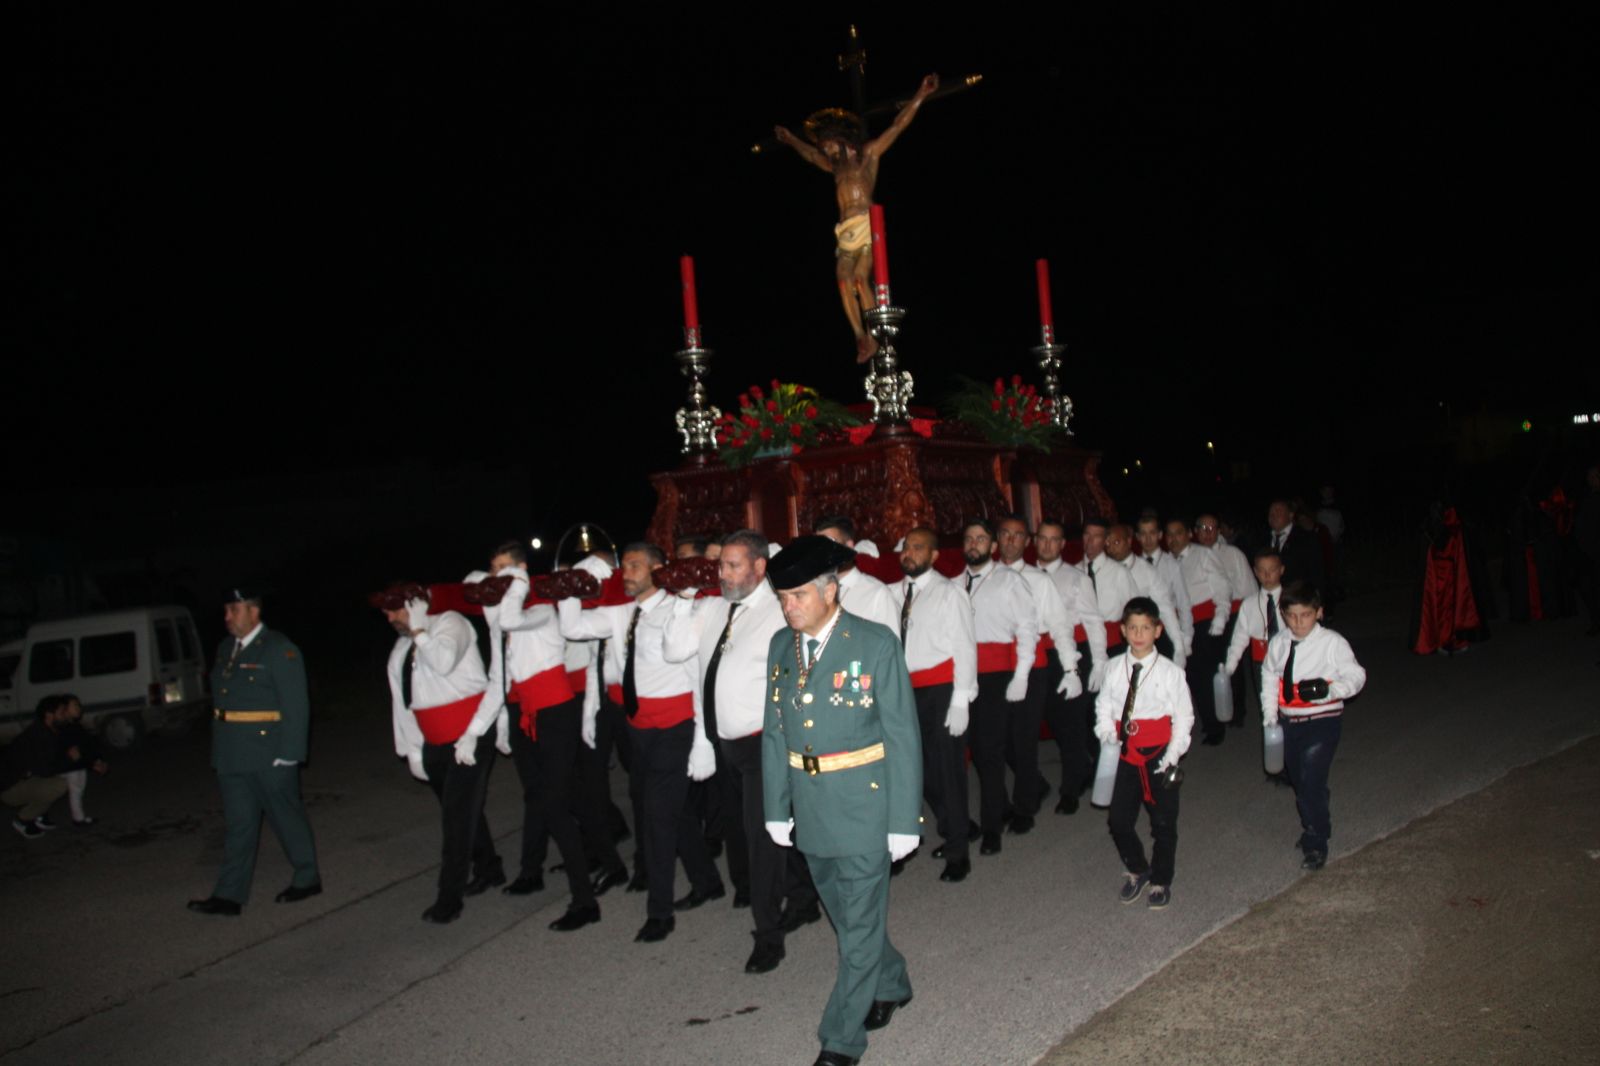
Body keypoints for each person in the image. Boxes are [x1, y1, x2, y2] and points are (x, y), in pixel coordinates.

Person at [761, 536, 921, 1066]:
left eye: (799, 595)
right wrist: (775, 806)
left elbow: (902, 734)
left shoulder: (874, 644)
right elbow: (775, 733)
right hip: (811, 808)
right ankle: (892, 981)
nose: (789, 608)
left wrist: (903, 820)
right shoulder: (782, 648)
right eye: (782, 598)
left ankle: (841, 1039)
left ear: (831, 590)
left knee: (854, 930)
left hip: (864, 808)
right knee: (852, 918)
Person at [662, 530, 813, 973]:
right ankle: (804, 897)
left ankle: (768, 935)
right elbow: (675, 651)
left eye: (733, 565)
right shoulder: (711, 608)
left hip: (765, 743)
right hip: (722, 743)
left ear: (760, 567)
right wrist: (680, 600)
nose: (722, 573)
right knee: (770, 830)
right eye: (720, 565)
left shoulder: (780, 609)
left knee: (760, 838)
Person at [558, 543, 722, 943]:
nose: (625, 573)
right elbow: (572, 628)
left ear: (658, 569)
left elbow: (696, 678)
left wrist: (702, 739)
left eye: (634, 566)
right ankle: (707, 881)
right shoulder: (619, 611)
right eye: (624, 566)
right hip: (638, 728)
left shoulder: (680, 609)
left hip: (676, 726)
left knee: (656, 817)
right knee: (674, 809)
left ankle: (659, 912)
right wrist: (571, 585)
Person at [483, 542, 623, 931]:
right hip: (528, 713)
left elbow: (510, 619)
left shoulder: (543, 609)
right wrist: (501, 723)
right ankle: (611, 863)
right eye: (494, 570)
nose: (500, 577)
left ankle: (585, 901)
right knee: (564, 796)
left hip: (556, 712)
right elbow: (503, 653)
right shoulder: (517, 607)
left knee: (555, 803)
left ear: (524, 570)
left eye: (506, 569)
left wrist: (517, 583)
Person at [774, 74, 940, 363]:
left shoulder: (869, 155)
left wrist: (921, 95)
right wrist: (790, 139)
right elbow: (809, 154)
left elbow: (898, 125)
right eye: (824, 147)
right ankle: (859, 336)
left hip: (867, 224)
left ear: (841, 141)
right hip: (846, 232)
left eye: (828, 145)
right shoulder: (834, 166)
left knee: (862, 280)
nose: (825, 151)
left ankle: (874, 335)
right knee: (842, 282)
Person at [188, 588, 321, 916]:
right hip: (232, 752)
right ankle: (229, 896)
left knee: (285, 817)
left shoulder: (279, 649)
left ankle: (307, 877)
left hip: (268, 751)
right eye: (226, 611)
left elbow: (296, 704)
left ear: (253, 612)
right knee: (239, 824)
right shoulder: (224, 649)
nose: (227, 618)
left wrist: (290, 752)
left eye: (233, 610)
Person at [380, 584, 505, 924]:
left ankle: (448, 899)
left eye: (396, 609)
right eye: (386, 612)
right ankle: (490, 868)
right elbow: (403, 703)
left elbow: (444, 660)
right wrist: (411, 749)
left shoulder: (452, 623)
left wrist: (420, 630)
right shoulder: (401, 648)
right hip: (434, 741)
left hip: (470, 735)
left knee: (455, 819)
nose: (389, 617)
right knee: (465, 812)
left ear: (416, 605)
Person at [1093, 597, 1193, 910]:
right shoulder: (1113, 667)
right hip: (1124, 754)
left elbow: (1184, 716)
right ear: (1122, 630)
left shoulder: (1170, 672)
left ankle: (1161, 878)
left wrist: (1172, 755)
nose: (1139, 634)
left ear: (1157, 630)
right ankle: (1138, 868)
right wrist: (1108, 735)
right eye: (1132, 628)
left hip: (1160, 753)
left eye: (1145, 628)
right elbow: (1104, 706)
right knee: (1118, 820)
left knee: (1163, 822)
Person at [1261, 582, 1367, 871]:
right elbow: (1269, 676)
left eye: (1305, 615)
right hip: (1289, 722)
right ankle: (1315, 808)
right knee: (1301, 780)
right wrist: (1270, 715)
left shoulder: (1332, 643)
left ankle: (1317, 838)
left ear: (1319, 613)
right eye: (1292, 615)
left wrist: (1329, 690)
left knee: (1309, 783)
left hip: (1322, 721)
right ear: (1283, 615)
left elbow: (1357, 676)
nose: (1298, 622)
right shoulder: (1280, 643)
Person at [893, 526, 977, 881]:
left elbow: (965, 646)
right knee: (921, 771)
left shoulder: (949, 593)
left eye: (918, 547)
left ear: (934, 555)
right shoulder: (895, 592)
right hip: (907, 691)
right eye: (906, 547)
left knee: (948, 770)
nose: (909, 553)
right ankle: (955, 825)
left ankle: (959, 851)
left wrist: (962, 698)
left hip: (942, 688)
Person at [959, 518, 1038, 857]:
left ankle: (992, 828)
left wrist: (1021, 674)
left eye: (981, 539)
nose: (974, 544)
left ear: (992, 547)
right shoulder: (953, 583)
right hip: (963, 676)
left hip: (995, 676)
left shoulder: (1009, 581)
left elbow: (1027, 627)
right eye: (969, 539)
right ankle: (1002, 806)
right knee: (976, 749)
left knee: (990, 752)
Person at [994, 515, 1079, 832]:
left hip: (1035, 661)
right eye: (1005, 534)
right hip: (996, 663)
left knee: (1025, 736)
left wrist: (1071, 668)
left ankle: (1025, 806)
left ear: (1025, 542)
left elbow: (1059, 624)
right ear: (997, 539)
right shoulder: (985, 577)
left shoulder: (1039, 580)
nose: (1011, 540)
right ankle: (1034, 785)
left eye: (1018, 535)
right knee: (998, 738)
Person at [1034, 520, 1109, 814]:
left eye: (1054, 540)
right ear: (1035, 541)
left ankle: (1070, 790)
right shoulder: (1025, 576)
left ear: (1063, 544)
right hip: (1039, 656)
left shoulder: (1076, 578)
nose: (1048, 545)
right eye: (1043, 539)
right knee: (1052, 719)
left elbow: (1093, 621)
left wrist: (1099, 660)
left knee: (1071, 725)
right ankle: (1084, 768)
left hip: (1073, 655)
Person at [1166, 518, 1232, 746]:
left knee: (1206, 675)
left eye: (1178, 533)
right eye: (1170, 535)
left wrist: (1221, 615)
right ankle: (1206, 720)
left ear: (1188, 535)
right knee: (1192, 676)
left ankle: (1216, 724)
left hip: (1205, 620)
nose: (1174, 539)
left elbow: (1222, 586)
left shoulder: (1202, 555)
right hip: (1182, 623)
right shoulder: (1167, 562)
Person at [1195, 513, 1256, 727]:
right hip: (1204, 619)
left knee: (1233, 666)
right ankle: (1215, 713)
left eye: (1212, 528)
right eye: (1202, 528)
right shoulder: (1191, 556)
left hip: (1232, 615)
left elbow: (1249, 587)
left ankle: (1237, 711)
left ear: (1219, 530)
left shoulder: (1233, 554)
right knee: (1209, 669)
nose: (1207, 533)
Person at [1222, 549, 1286, 735]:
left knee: (1289, 704)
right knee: (1268, 706)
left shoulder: (1291, 598)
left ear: (1281, 570)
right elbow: (1239, 638)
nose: (1267, 575)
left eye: (1272, 569)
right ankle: (1275, 749)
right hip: (1261, 660)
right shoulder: (1249, 604)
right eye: (1262, 570)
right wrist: (1230, 666)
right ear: (1255, 572)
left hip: (1287, 657)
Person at [1104, 524, 1183, 667]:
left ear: (1129, 541)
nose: (1111, 548)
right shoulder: (1104, 571)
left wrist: (1179, 645)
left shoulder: (1146, 571)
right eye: (1107, 544)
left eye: (1116, 542)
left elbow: (1165, 607)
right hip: (1113, 641)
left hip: (1142, 638)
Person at [815, 514, 902, 634]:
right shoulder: (814, 591)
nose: (824, 553)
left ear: (849, 547)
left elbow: (891, 648)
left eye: (830, 545)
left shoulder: (877, 594)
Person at [4, 695, 72, 837]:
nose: (66, 714)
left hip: (25, 779)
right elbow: (44, 769)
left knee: (61, 776)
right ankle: (23, 819)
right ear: (49, 715)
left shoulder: (50, 731)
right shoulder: (39, 735)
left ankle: (40, 816)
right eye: (62, 711)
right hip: (9, 787)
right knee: (59, 784)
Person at [49, 694, 107, 825]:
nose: (79, 708)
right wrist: (93, 763)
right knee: (75, 789)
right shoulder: (62, 728)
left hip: (76, 765)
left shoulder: (75, 726)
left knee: (78, 788)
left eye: (78, 705)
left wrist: (97, 760)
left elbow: (87, 746)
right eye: (75, 705)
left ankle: (78, 817)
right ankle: (78, 818)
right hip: (68, 766)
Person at [1266, 499, 1325, 588]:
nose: (1273, 515)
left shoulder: (1306, 539)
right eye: (1271, 512)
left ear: (1290, 515)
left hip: (1296, 597)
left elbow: (1317, 573)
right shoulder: (1261, 539)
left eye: (1278, 511)